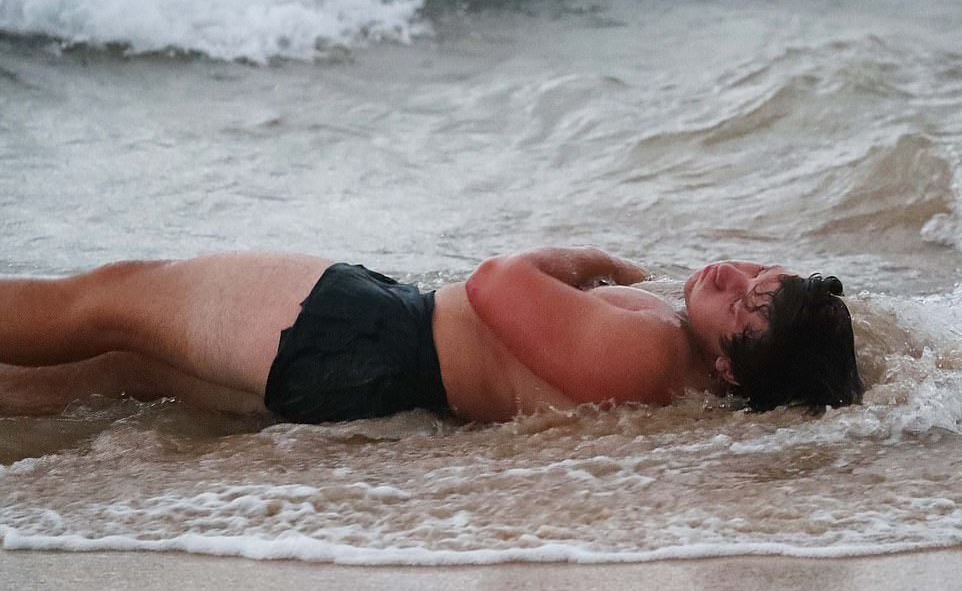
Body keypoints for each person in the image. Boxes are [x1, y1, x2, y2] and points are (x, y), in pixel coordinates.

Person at [0, 247, 863, 422]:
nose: (731, 281)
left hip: (364, 329)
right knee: (115, 368)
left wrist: (572, 258)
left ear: (726, 365)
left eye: (745, 308)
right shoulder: (682, 363)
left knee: (109, 298)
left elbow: (493, 285)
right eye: (763, 277)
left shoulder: (647, 354)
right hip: (361, 371)